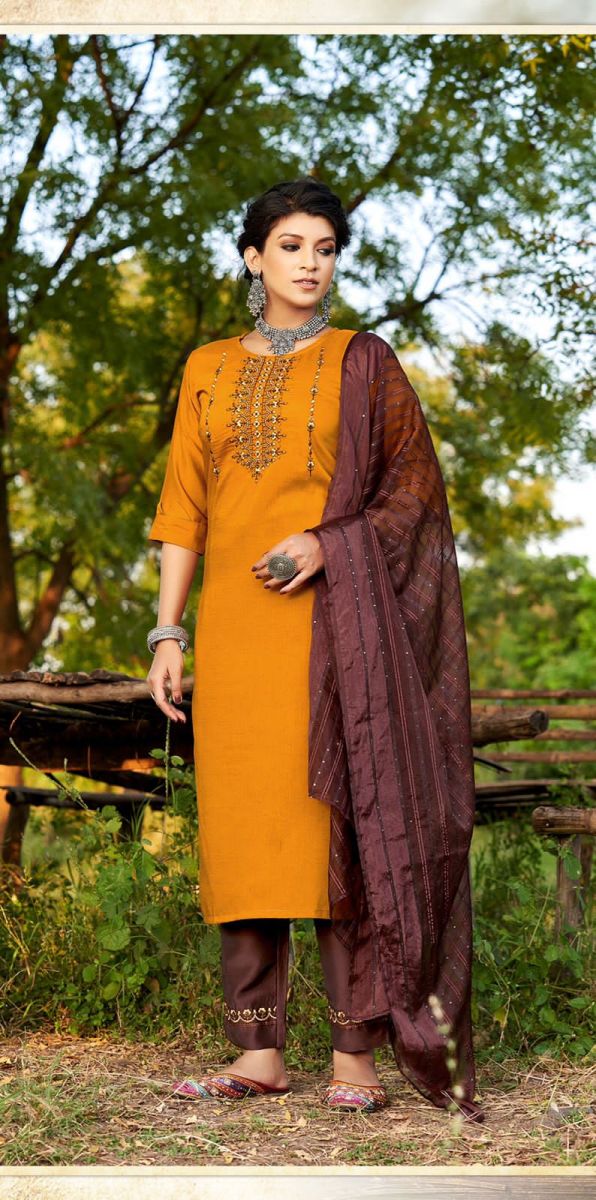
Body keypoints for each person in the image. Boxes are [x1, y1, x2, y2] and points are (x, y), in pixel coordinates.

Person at [146, 178, 485, 1121]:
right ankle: (257, 1053)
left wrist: (328, 544)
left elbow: (414, 494)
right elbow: (184, 510)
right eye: (291, 245)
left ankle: (353, 1055)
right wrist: (169, 631)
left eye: (325, 248)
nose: (310, 263)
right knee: (242, 835)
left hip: (339, 636)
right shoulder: (207, 367)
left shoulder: (362, 362)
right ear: (253, 257)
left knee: (340, 824)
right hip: (236, 633)